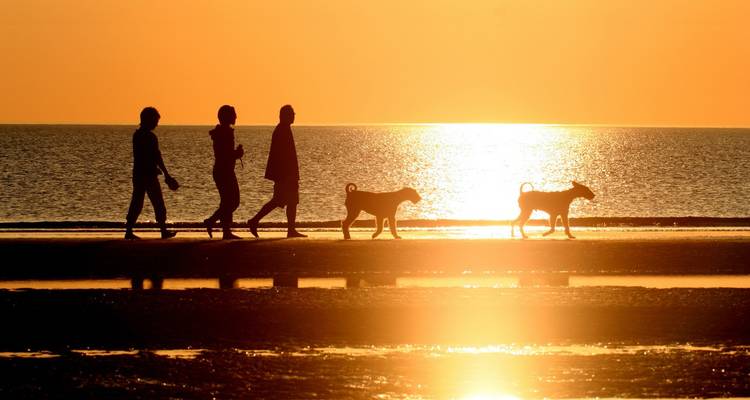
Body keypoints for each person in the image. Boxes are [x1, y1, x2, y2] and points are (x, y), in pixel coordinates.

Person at [248, 105, 306, 238]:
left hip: (285, 174)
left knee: (289, 201)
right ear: (285, 115)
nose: (293, 116)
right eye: (291, 114)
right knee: (281, 200)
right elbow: (282, 155)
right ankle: (255, 221)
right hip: (285, 174)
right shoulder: (282, 130)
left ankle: (290, 229)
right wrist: (289, 175)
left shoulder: (284, 129)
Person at [124, 107, 178, 239]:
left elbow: (146, 156)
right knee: (157, 202)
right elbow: (156, 156)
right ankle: (163, 231)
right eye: (155, 120)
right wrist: (166, 174)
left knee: (137, 203)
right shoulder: (150, 137)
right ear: (149, 120)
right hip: (148, 175)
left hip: (139, 174)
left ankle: (129, 231)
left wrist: (162, 172)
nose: (157, 124)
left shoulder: (137, 135)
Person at [204, 105, 244, 239]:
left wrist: (235, 154)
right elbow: (225, 154)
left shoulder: (222, 132)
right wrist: (237, 154)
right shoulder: (226, 133)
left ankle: (225, 231)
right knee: (233, 201)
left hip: (223, 170)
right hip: (224, 171)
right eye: (234, 114)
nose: (236, 116)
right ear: (227, 117)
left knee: (227, 201)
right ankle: (212, 222)